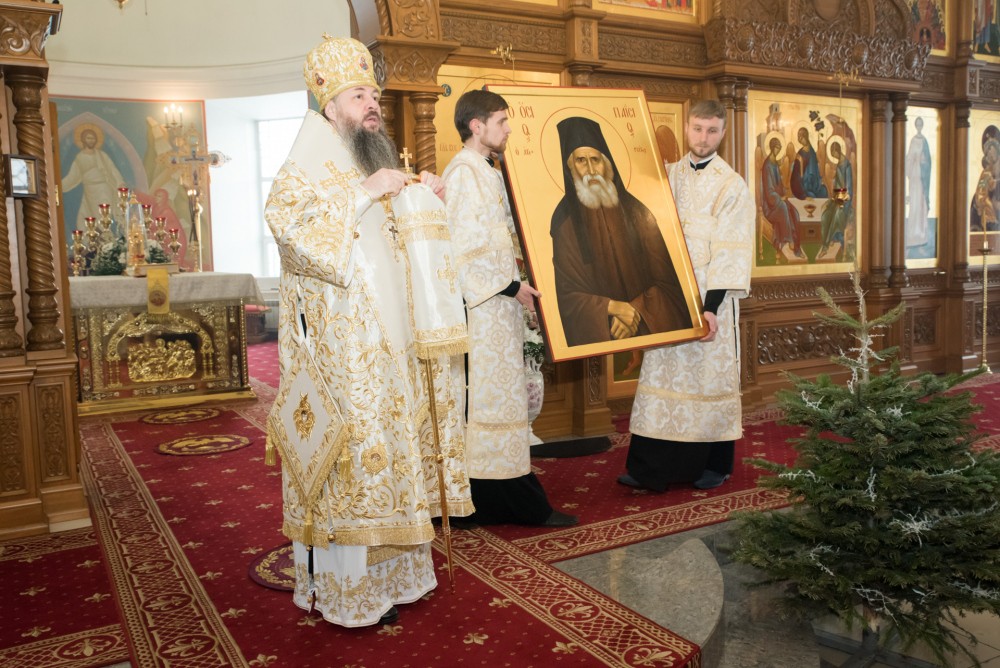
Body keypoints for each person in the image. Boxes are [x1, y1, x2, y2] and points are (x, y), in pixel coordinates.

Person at [263, 35, 472, 628]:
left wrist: (422, 197)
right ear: (330, 105)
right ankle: (350, 592)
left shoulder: (368, 157)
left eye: (374, 94)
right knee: (356, 463)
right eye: (358, 95)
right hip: (343, 355)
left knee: (397, 453)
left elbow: (397, 250)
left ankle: (402, 579)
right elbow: (289, 228)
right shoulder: (307, 161)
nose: (372, 103)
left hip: (393, 347)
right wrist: (365, 192)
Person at [441, 89, 577, 528]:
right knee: (489, 404)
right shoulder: (463, 173)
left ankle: (491, 499)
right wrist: (512, 286)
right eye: (501, 121)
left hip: (499, 307)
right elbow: (463, 248)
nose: (509, 129)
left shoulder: (487, 169)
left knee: (499, 404)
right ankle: (510, 501)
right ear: (476, 125)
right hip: (484, 311)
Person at [620, 99, 755, 492]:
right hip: (668, 296)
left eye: (712, 130)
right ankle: (651, 469)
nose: (703, 137)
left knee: (706, 381)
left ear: (723, 133)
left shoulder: (732, 186)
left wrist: (709, 309)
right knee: (664, 378)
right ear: (686, 127)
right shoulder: (667, 176)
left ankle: (714, 465)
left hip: (710, 301)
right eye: (697, 128)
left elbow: (730, 251)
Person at [550, 116, 692, 346]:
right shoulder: (563, 223)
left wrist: (636, 310)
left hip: (647, 334)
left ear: (607, 163)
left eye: (595, 160)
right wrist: (610, 307)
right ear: (570, 168)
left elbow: (668, 284)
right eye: (581, 161)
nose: (590, 170)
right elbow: (568, 296)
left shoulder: (638, 212)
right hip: (603, 341)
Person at [62, 123, 126, 231]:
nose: (91, 140)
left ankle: (106, 237)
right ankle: (90, 239)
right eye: (88, 138)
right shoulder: (80, 157)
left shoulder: (102, 155)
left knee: (103, 216)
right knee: (83, 218)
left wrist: (120, 182)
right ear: (83, 140)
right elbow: (73, 176)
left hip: (103, 189)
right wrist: (59, 186)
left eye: (93, 138)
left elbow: (112, 169)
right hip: (89, 191)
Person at [758, 134, 804, 259]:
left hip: (778, 201)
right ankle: (788, 240)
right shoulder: (767, 165)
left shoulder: (775, 164)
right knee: (784, 207)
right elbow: (769, 192)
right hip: (770, 207)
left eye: (779, 148)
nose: (778, 150)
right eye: (776, 148)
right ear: (772, 148)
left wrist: (784, 194)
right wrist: (779, 199)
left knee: (794, 211)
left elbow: (780, 185)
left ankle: (797, 244)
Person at [819, 137, 854, 259]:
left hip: (846, 201)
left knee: (836, 215)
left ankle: (825, 246)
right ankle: (828, 241)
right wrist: (834, 197)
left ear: (837, 151)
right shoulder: (839, 164)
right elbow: (838, 186)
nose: (833, 156)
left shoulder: (847, 165)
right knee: (826, 214)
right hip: (838, 198)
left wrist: (841, 198)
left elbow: (848, 189)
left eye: (833, 153)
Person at [905, 117, 931, 248]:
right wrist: (912, 160)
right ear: (916, 126)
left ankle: (921, 234)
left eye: (921, 125)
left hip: (922, 178)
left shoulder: (924, 141)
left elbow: (928, 161)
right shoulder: (913, 140)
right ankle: (912, 234)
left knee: (920, 204)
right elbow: (909, 158)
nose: (919, 127)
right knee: (914, 204)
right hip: (914, 176)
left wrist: (923, 161)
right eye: (918, 125)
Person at [790, 126, 828, 200]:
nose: (799, 139)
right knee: (812, 196)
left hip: (815, 185)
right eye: (798, 137)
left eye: (801, 136)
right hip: (804, 186)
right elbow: (795, 177)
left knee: (824, 191)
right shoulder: (799, 155)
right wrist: (803, 195)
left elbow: (815, 170)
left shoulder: (812, 151)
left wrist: (818, 182)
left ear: (805, 136)